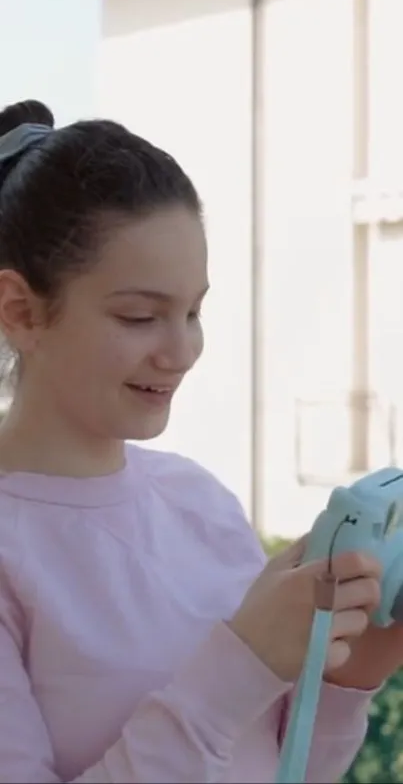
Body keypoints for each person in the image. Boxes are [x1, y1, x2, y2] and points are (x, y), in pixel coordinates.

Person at [0, 99, 401, 784]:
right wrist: (240, 663)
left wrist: (355, 668)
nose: (182, 349)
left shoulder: (200, 502)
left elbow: (283, 769)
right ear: (21, 311)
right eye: (140, 315)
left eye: (193, 310)